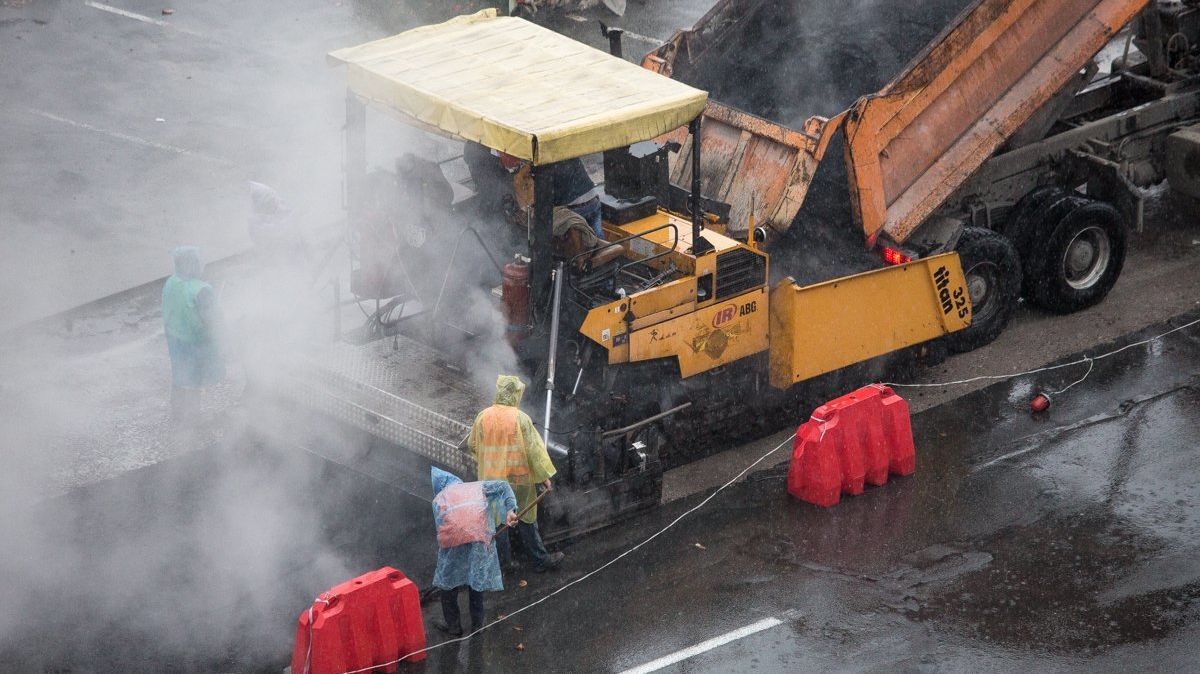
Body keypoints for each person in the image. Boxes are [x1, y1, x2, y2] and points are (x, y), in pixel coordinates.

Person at [468, 375, 564, 572]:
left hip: (492, 480)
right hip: (518, 481)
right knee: (526, 517)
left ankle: (505, 565)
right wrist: (544, 478)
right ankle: (539, 560)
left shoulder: (483, 416)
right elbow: (534, 452)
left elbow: (472, 445)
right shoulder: (521, 419)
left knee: (498, 520)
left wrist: (488, 465)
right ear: (515, 394)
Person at [431, 467, 519, 637]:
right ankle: (477, 625)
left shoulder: (439, 498)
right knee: (475, 581)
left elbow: (440, 528)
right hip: (479, 536)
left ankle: (454, 626)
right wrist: (510, 510)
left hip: (453, 542)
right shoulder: (476, 487)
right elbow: (503, 486)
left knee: (447, 584)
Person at [161, 246, 224, 419]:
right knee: (194, 379)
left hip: (175, 338)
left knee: (180, 375)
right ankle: (191, 418)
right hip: (195, 342)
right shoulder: (202, 290)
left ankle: (178, 413)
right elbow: (212, 320)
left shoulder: (171, 282)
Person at [548, 158, 603, 239]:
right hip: (593, 200)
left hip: (574, 209)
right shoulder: (567, 153)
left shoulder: (545, 165)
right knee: (598, 238)